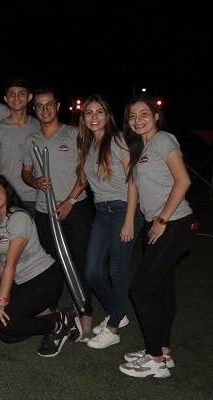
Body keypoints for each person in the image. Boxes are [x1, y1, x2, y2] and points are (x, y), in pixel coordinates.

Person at [118, 94, 195, 378]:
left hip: (173, 224)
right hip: (160, 225)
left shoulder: (163, 139)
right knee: (162, 290)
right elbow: (135, 187)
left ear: (156, 116)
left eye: (144, 114)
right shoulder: (141, 148)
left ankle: (155, 360)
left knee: (140, 289)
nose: (137, 120)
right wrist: (135, 220)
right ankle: (162, 349)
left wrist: (161, 220)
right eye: (132, 116)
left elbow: (183, 181)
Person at [21, 87, 94, 338]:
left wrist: (69, 200)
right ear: (34, 109)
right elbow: (26, 172)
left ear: (58, 106)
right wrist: (35, 182)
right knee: (50, 263)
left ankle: (85, 312)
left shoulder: (74, 134)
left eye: (49, 104)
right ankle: (50, 310)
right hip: (45, 210)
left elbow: (86, 172)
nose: (45, 109)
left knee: (79, 260)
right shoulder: (31, 139)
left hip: (76, 207)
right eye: (40, 105)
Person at [0, 174, 81, 357]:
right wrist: (7, 295)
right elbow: (2, 261)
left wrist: (1, 302)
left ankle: (58, 325)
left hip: (44, 278)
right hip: (23, 283)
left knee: (6, 322)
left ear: (6, 190)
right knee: (7, 335)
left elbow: (11, 263)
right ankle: (60, 316)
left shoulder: (19, 217)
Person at [76, 95, 143, 349]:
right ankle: (118, 313)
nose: (94, 117)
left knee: (117, 271)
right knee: (92, 271)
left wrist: (129, 220)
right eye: (89, 113)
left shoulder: (117, 140)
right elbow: (85, 180)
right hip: (102, 212)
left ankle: (113, 327)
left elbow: (133, 180)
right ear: (83, 118)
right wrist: (69, 200)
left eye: (99, 112)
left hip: (123, 209)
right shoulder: (87, 144)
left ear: (108, 115)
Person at [0, 78, 40, 215]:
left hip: (36, 196)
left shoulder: (40, 126)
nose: (16, 98)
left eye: (21, 93)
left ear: (29, 97)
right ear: (6, 98)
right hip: (8, 196)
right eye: (12, 94)